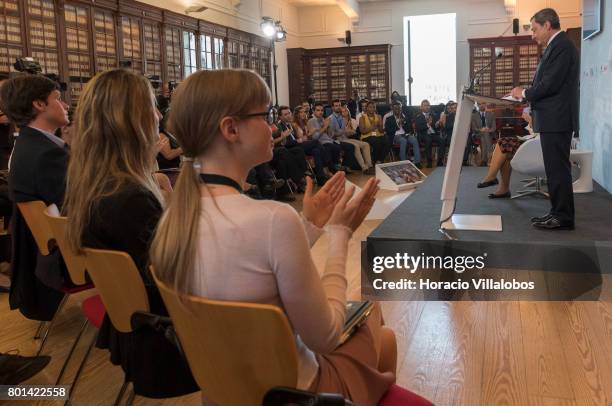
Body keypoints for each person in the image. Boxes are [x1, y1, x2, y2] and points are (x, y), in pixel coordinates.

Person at [150, 69, 397, 405]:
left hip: (223, 392)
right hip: (294, 396)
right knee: (382, 330)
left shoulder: (173, 218)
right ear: (231, 128)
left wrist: (309, 224)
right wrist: (340, 233)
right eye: (265, 116)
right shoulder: (271, 220)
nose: (272, 127)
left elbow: (251, 270)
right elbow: (324, 337)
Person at [63, 69, 197, 398]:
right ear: (129, 121)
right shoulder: (129, 199)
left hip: (133, 328)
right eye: (150, 107)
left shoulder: (97, 185)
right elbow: (179, 273)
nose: (157, 115)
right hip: (169, 340)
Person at [1, 75, 70, 320]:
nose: (66, 105)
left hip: (41, 256)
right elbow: (77, 207)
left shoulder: (27, 145)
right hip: (65, 255)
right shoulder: (47, 155)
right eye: (58, 99)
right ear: (39, 105)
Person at [511, 8, 579, 230]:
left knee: (558, 169)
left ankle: (563, 217)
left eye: (535, 28)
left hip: (557, 118)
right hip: (552, 117)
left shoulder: (563, 46)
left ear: (548, 25)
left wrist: (524, 94)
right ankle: (556, 212)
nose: (532, 34)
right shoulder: (556, 46)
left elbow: (550, 84)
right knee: (554, 169)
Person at [477, 109, 534, 198]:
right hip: (532, 142)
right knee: (505, 149)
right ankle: (504, 189)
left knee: (503, 144)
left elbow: (538, 131)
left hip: (538, 147)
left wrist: (530, 120)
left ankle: (492, 176)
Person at [384, 101, 421, 168]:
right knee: (403, 140)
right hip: (395, 136)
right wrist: (398, 126)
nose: (398, 110)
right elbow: (388, 131)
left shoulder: (405, 117)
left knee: (414, 140)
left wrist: (404, 123)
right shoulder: (389, 119)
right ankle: (403, 163)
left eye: (399, 108)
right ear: (393, 109)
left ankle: (417, 162)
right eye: (396, 108)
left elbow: (409, 129)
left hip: (405, 134)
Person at [308, 103, 342, 172]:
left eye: (322, 110)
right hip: (321, 143)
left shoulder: (323, 119)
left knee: (338, 146)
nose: (320, 112)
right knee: (332, 148)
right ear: (314, 111)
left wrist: (329, 126)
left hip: (329, 141)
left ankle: (335, 168)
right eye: (318, 110)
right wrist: (325, 127)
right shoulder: (311, 121)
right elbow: (315, 137)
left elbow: (330, 135)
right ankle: (332, 170)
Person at [340, 105, 373, 174]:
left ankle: (369, 166)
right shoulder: (339, 120)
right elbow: (342, 132)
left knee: (366, 144)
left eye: (345, 111)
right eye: (342, 111)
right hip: (340, 139)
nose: (344, 113)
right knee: (356, 146)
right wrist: (347, 131)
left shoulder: (352, 120)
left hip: (348, 138)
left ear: (348, 111)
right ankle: (364, 168)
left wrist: (347, 131)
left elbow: (353, 132)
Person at [414, 100, 444, 167]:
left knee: (442, 139)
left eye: (428, 105)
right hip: (423, 135)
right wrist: (428, 124)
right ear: (421, 107)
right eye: (425, 105)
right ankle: (429, 161)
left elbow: (436, 127)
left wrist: (437, 124)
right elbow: (419, 128)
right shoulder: (418, 116)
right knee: (428, 139)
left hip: (433, 134)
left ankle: (440, 160)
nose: (427, 107)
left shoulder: (433, 115)